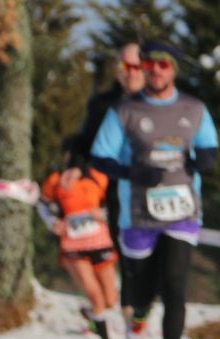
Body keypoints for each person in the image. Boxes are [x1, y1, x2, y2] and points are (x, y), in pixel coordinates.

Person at [91, 38, 219, 339]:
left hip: (183, 210)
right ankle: (140, 316)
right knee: (144, 288)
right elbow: (100, 157)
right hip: (138, 215)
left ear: (174, 69)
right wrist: (132, 173)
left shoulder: (193, 108)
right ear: (143, 68)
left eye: (164, 64)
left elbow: (209, 146)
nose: (156, 70)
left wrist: (204, 159)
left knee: (175, 285)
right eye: (149, 64)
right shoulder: (125, 110)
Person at [37, 138, 120, 339]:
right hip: (73, 243)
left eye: (68, 153)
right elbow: (42, 204)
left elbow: (115, 202)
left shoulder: (98, 178)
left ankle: (92, 315)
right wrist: (52, 222)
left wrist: (103, 213)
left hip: (99, 240)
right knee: (96, 296)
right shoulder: (56, 180)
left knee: (110, 300)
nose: (66, 158)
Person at [64, 42, 146, 242]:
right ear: (116, 70)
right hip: (116, 188)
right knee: (127, 250)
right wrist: (75, 165)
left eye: (138, 67)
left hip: (155, 186)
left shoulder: (163, 103)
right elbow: (86, 142)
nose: (132, 73)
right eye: (126, 66)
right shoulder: (103, 104)